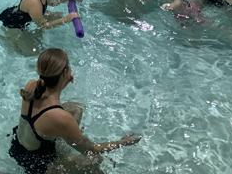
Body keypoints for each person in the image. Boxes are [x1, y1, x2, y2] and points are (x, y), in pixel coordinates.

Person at [9, 48, 141, 174]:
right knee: (95, 159)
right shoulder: (61, 118)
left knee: (75, 108)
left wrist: (63, 81)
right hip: (37, 165)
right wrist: (122, 142)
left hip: (18, 146)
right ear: (66, 71)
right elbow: (93, 150)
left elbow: (49, 99)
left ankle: (71, 136)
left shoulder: (32, 85)